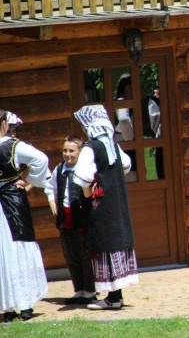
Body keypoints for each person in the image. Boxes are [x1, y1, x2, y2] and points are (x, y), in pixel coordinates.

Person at [73, 105, 138, 310]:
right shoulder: (112, 144)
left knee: (105, 244)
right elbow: (126, 165)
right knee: (115, 242)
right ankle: (115, 297)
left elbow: (82, 177)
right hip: (117, 202)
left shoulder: (91, 148)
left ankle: (112, 298)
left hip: (101, 204)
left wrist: (92, 187)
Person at [0, 110, 50, 322]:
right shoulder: (13, 145)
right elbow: (41, 159)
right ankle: (25, 305)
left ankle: (9, 308)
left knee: (4, 251)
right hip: (12, 197)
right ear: (4, 124)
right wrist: (29, 180)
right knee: (18, 247)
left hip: (7, 200)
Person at [44, 136, 96, 305]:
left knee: (84, 255)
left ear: (80, 152)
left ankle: (89, 291)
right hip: (65, 217)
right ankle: (78, 290)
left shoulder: (85, 169)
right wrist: (52, 202)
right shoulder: (59, 169)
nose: (67, 154)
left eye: (71, 151)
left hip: (80, 217)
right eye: (65, 150)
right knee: (70, 255)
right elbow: (49, 187)